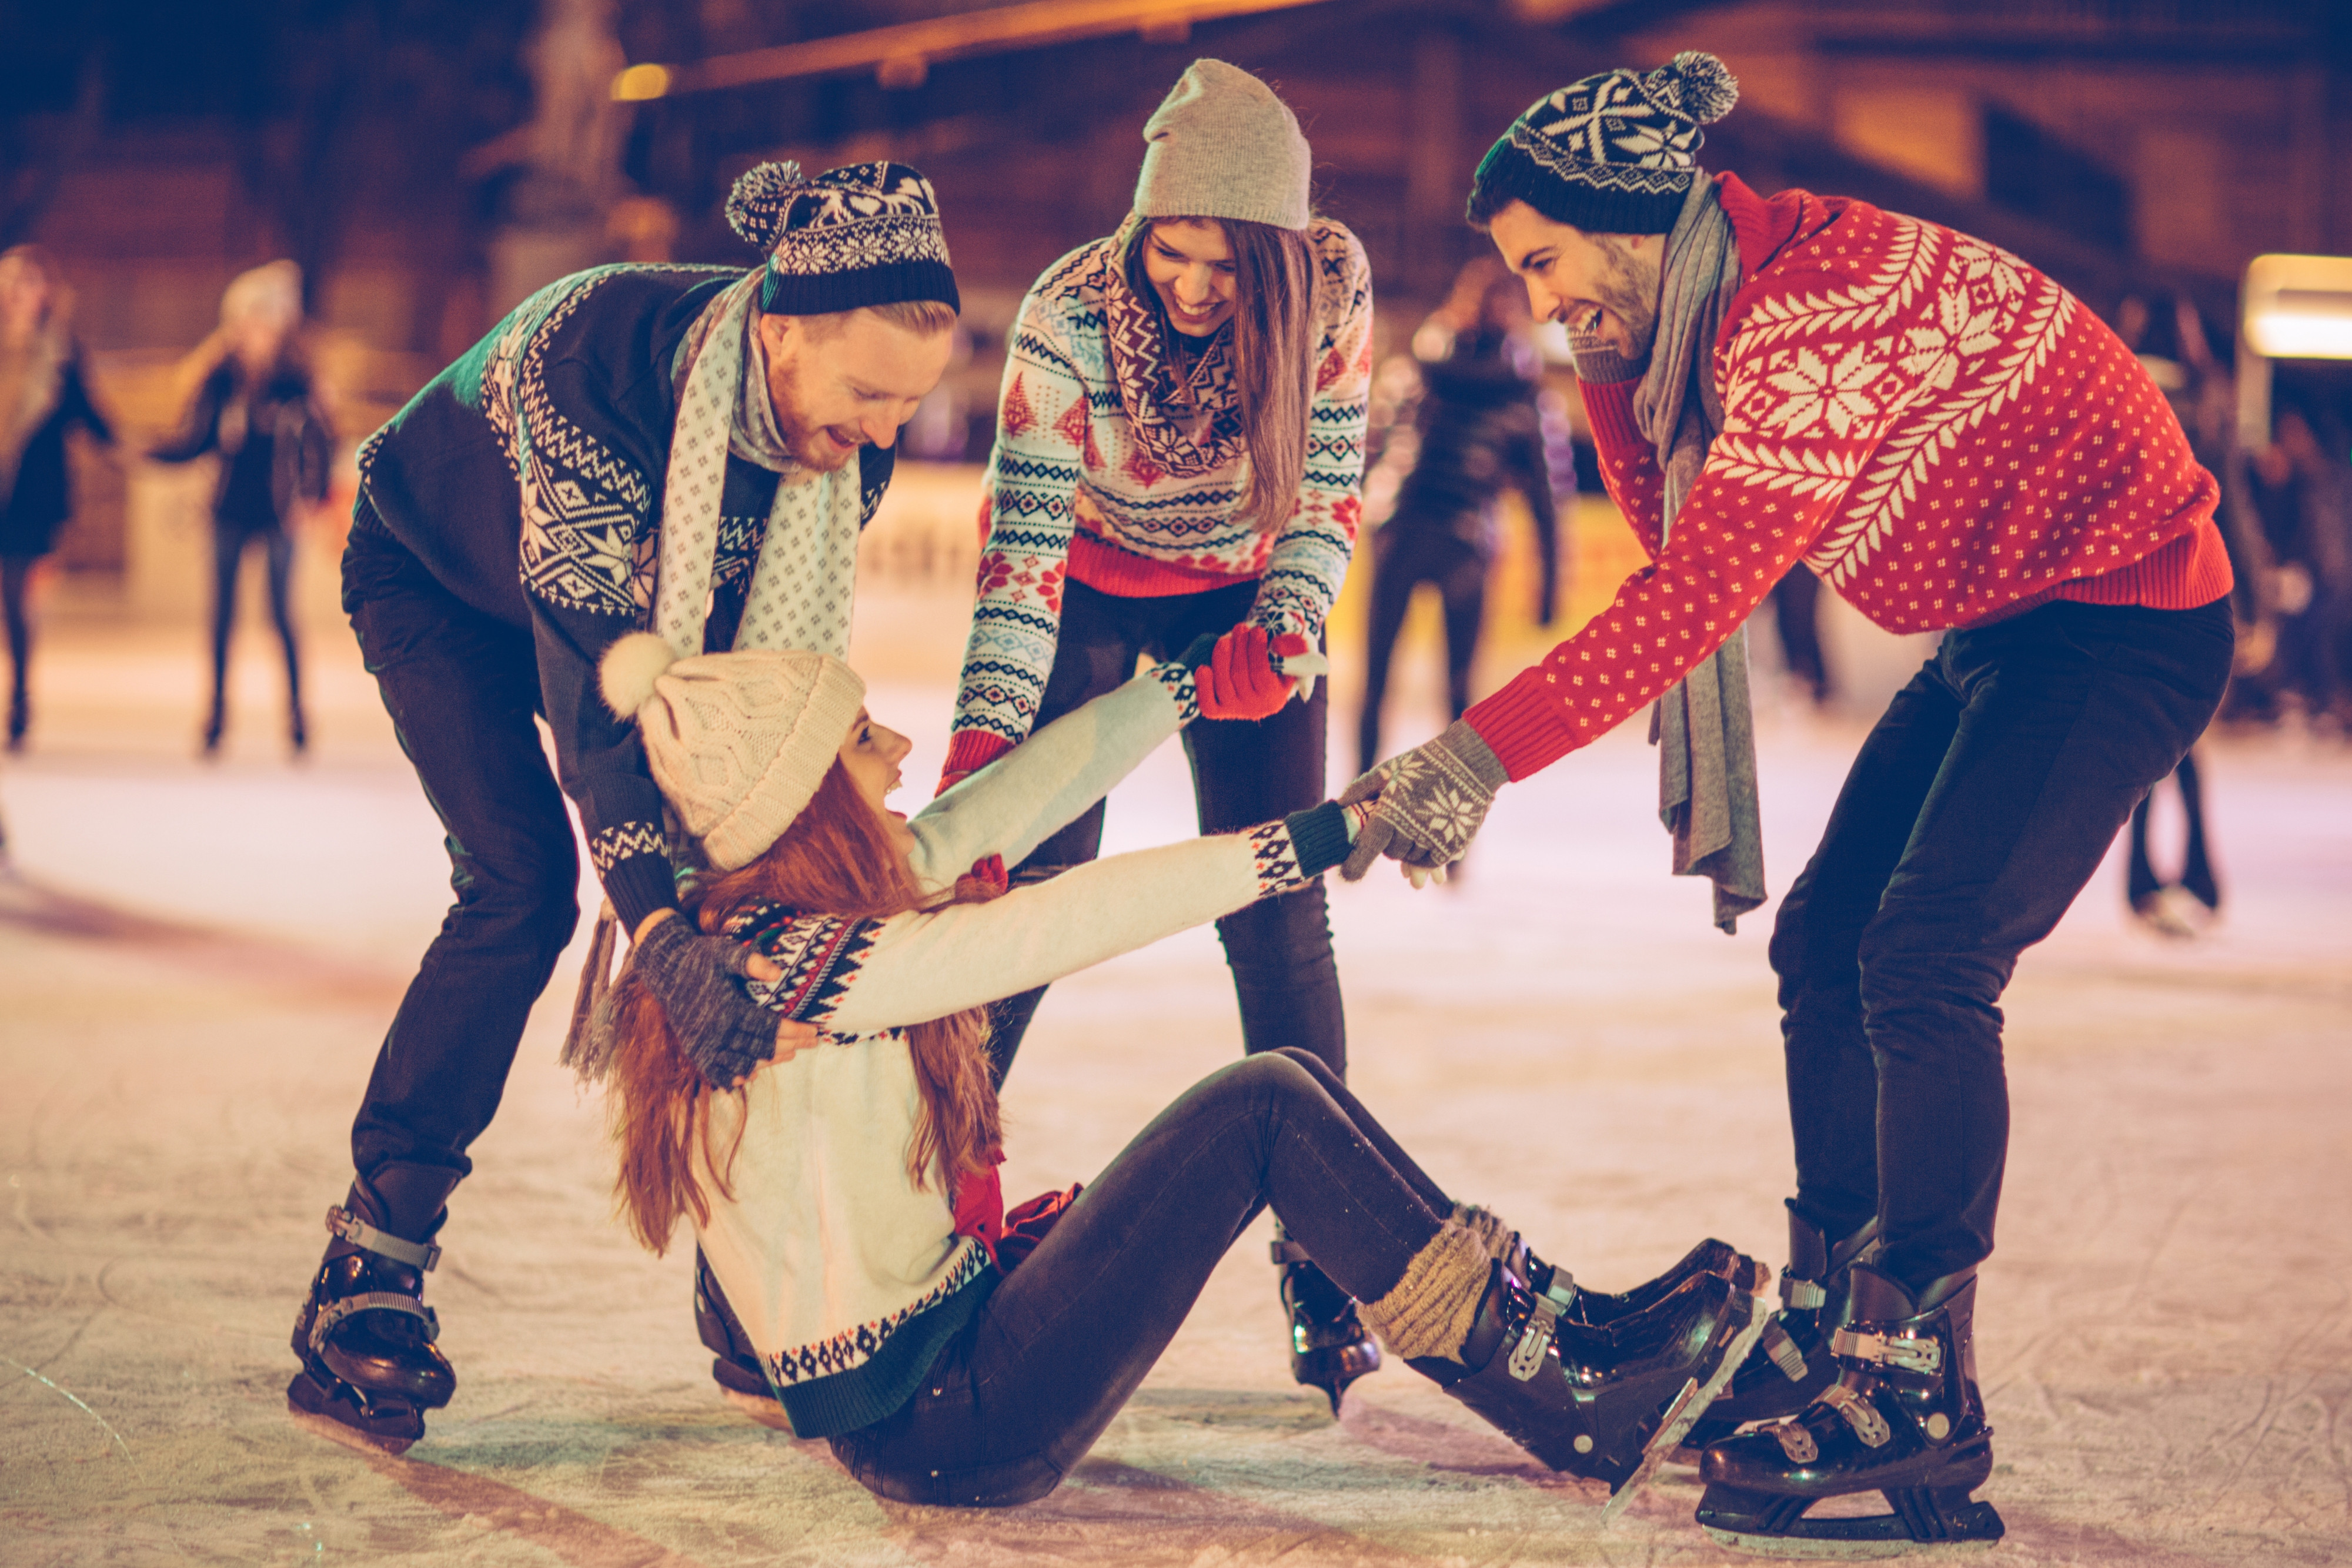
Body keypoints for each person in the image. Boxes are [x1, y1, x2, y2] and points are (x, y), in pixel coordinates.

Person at [1344, 54, 2234, 1554]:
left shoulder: (1807, 319)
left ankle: (1917, 1375)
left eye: (1549, 264)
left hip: (2119, 623)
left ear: (1629, 223)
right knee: (1826, 945)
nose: (1544, 300)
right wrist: (1616, 375)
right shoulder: (1700, 312)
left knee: (1928, 953)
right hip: (2002, 629)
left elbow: (1693, 598)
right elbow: (1662, 527)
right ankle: (1832, 1315)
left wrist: (1470, 756)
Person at [587, 627, 1768, 1510]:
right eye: (859, 741)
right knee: (1262, 1103)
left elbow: (1004, 799)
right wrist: (1316, 835)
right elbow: (1065, 920)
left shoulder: (770, 924)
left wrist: (1182, 687)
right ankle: (1561, 1386)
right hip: (946, 1416)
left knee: (1277, 1087)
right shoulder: (790, 967)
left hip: (954, 1359)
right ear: (799, 800)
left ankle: (1561, 1336)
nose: (896, 747)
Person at [285, 161, 961, 1456]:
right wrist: (651, 922)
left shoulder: (834, 456)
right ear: (777, 331)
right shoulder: (591, 368)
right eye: (869, 395)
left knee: (754, 893)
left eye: (911, 404)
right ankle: (374, 1259)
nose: (882, 434)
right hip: (432, 576)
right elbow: (606, 705)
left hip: (625, 635)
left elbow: (748, 710)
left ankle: (746, 1279)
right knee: (524, 884)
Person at [938, 60, 1377, 1408]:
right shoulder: (1068, 313)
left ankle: (1326, 1250)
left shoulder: (1332, 286)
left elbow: (1328, 486)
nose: (1191, 284)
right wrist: (984, 753)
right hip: (1081, 592)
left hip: (1242, 593)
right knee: (1026, 900)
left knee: (1273, 902)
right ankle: (933, 1209)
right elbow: (1021, 556)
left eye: (1221, 262)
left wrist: (1287, 631)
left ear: (1277, 250)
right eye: (1170, 250)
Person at [1356, 257, 1561, 778]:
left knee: (1376, 682)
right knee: (1460, 695)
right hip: (1468, 539)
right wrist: (1549, 589)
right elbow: (1546, 497)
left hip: (1396, 528)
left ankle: (1350, 805)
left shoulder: (1415, 371)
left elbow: (1368, 453)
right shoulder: (1524, 394)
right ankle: (1453, 831)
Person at [151, 261, 333, 757]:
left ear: (277, 324)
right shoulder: (221, 378)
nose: (252, 328)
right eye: (245, 318)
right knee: (221, 617)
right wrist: (144, 452)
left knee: (281, 614)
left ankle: (297, 715)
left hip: (279, 514)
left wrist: (310, 499)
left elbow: (323, 442)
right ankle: (215, 716)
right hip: (228, 510)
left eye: (262, 318)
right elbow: (197, 440)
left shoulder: (296, 380)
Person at [0, 245, 117, 752]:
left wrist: (127, 447)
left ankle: (20, 698)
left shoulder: (63, 352)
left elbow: (87, 415)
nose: (28, 293)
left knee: (15, 591)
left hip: (31, 493)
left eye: (36, 282)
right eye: (18, 282)